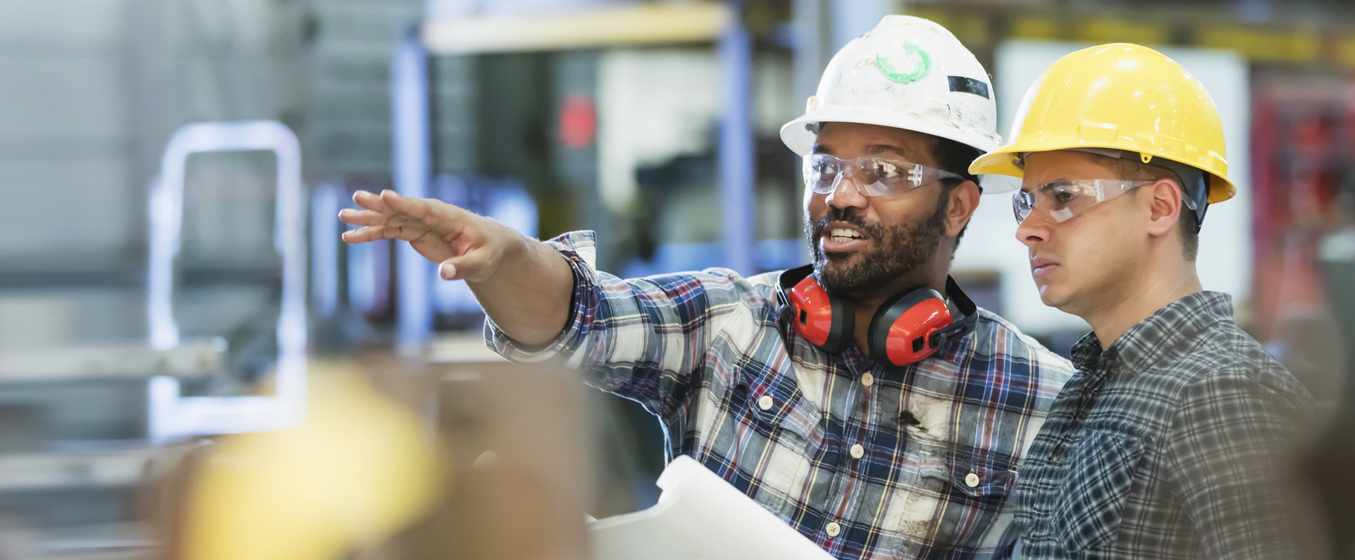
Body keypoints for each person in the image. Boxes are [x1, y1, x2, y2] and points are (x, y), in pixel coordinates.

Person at [338, 16, 1072, 560]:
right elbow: (578, 314)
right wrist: (497, 256)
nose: (840, 196)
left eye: (882, 171)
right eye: (825, 166)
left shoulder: (1041, 402)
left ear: (960, 205)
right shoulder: (731, 322)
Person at [968, 44, 1326, 559]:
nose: (1028, 230)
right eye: (1027, 201)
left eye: (1064, 197)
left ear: (1159, 207)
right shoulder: (1096, 389)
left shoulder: (1222, 395)